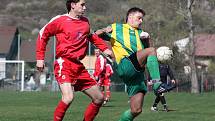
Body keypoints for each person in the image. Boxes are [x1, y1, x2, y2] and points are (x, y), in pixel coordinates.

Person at [36, 0, 113, 121]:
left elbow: (91, 36)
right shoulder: (60, 20)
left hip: (78, 66)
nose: (85, 7)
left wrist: (105, 48)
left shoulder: (85, 22)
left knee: (99, 98)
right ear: (72, 5)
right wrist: (40, 58)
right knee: (68, 97)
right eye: (82, 4)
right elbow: (42, 34)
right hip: (64, 63)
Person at [95, 7, 161, 121]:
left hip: (137, 73)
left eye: (142, 19)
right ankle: (157, 84)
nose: (141, 21)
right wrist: (104, 30)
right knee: (152, 50)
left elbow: (146, 56)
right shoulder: (117, 27)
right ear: (130, 17)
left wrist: (146, 42)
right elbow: (95, 35)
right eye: (139, 18)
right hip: (125, 64)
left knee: (136, 110)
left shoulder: (141, 33)